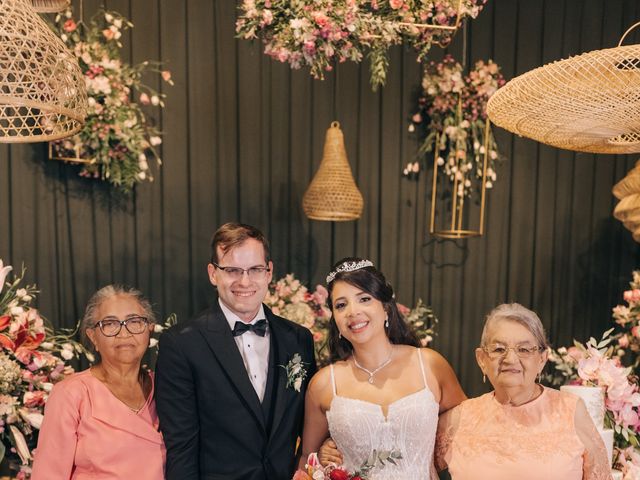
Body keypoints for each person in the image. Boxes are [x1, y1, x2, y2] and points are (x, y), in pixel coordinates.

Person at [155, 222, 317, 480]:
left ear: (269, 272)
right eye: (232, 270)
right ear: (213, 273)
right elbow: (182, 448)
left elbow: (311, 426)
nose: (244, 281)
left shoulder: (299, 339)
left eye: (255, 269)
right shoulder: (181, 345)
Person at [300, 257, 466, 479]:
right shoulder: (323, 384)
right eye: (341, 305)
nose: (352, 311)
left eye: (364, 299)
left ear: (386, 308)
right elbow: (306, 460)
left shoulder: (429, 365)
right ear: (336, 320)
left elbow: (469, 429)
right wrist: (321, 456)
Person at [433, 303, 612, 480]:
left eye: (524, 349)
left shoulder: (570, 411)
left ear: (542, 359)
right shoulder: (460, 419)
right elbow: (412, 466)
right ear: (482, 359)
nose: (510, 359)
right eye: (499, 349)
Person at [31, 285, 165, 480]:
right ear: (92, 336)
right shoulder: (71, 394)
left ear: (150, 329)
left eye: (134, 321)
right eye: (110, 324)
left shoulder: (167, 387)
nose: (124, 332)